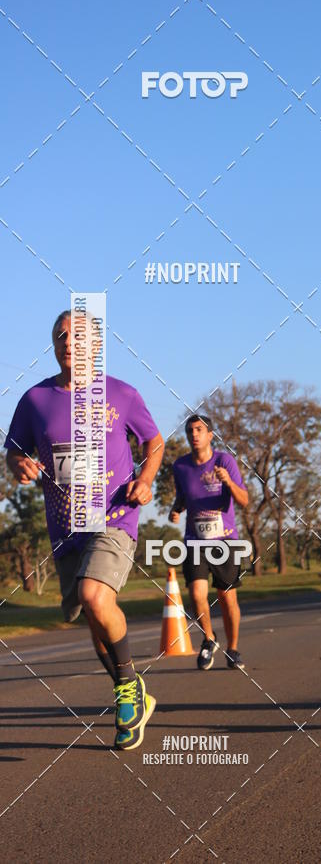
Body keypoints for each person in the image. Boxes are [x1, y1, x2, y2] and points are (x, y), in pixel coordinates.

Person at [4, 310, 164, 750]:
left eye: (77, 336)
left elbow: (154, 441)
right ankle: (134, 695)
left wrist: (146, 479)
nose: (67, 342)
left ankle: (128, 688)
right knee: (90, 618)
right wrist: (18, 465)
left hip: (114, 516)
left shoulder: (122, 394)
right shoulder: (35, 400)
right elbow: (13, 451)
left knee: (96, 596)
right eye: (60, 336)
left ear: (95, 345)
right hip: (65, 528)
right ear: (53, 345)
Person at [169, 414, 249, 671]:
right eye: (190, 430)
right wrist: (176, 509)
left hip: (225, 540)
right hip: (195, 540)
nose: (194, 434)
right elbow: (182, 496)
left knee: (227, 598)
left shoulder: (224, 461)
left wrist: (227, 481)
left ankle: (233, 648)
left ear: (210, 435)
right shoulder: (180, 467)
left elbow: (244, 499)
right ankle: (209, 638)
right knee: (196, 593)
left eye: (199, 430)